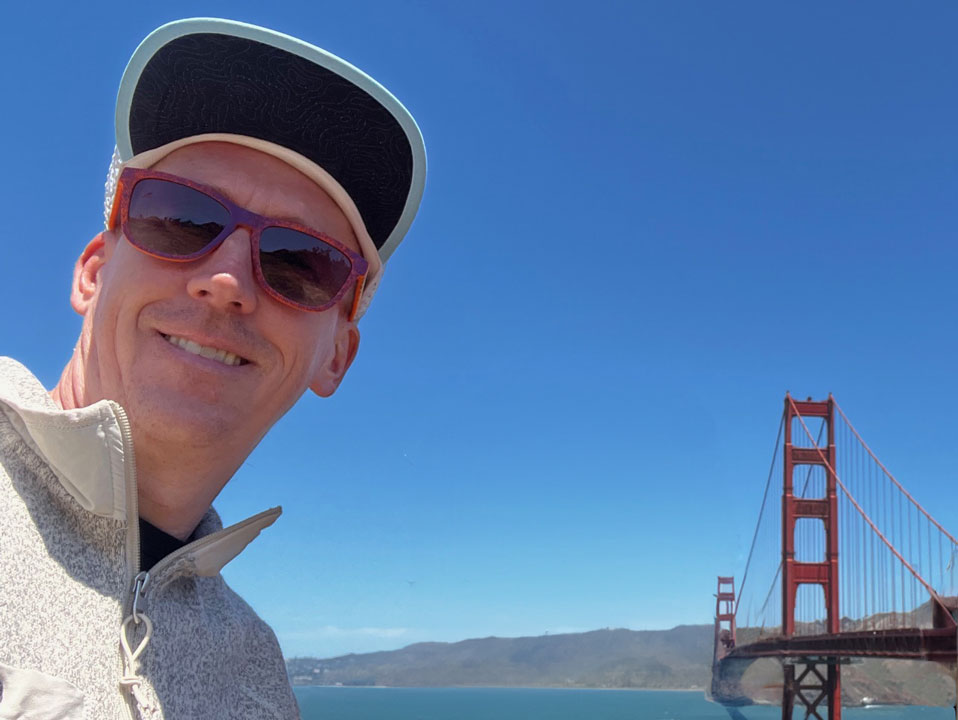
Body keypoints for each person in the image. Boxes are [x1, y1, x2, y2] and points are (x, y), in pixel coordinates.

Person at [0, 17, 425, 720]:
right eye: (181, 218)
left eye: (300, 261)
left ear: (336, 357)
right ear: (93, 273)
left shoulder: (255, 674)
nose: (227, 280)